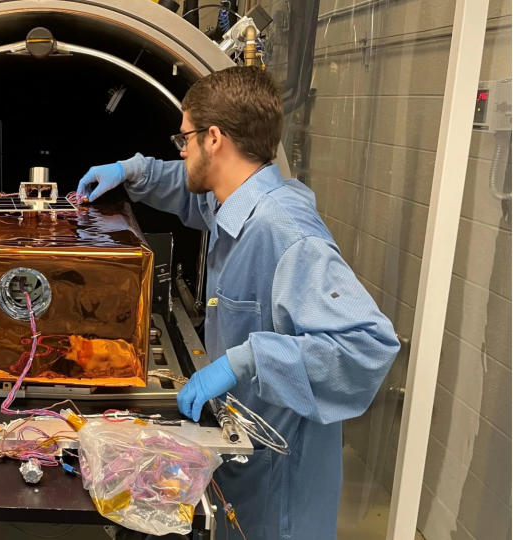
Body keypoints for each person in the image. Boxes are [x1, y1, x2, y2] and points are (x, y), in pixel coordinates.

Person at [77, 66, 399, 539]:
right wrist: (131, 170)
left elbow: (367, 347)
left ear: (213, 138)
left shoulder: (284, 231)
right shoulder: (236, 203)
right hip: (245, 460)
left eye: (183, 138)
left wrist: (245, 360)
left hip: (281, 486)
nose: (180, 149)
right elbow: (185, 189)